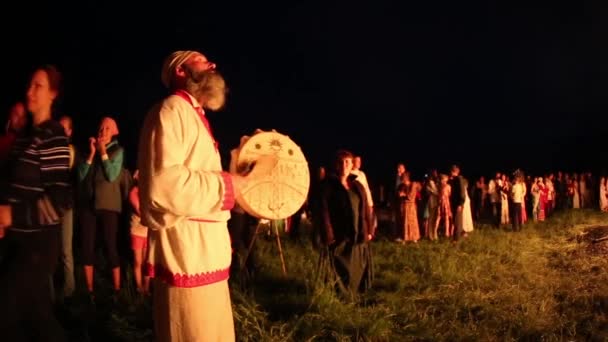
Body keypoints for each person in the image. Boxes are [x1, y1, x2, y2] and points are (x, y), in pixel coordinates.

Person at [137, 50, 274, 341]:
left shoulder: (192, 115)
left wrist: (249, 155)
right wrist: (228, 185)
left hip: (204, 256)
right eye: (201, 60)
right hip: (186, 255)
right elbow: (164, 186)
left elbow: (212, 179)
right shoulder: (171, 110)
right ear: (180, 71)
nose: (212, 64)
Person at [0, 64, 71, 341]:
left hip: (38, 245)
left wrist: (11, 215)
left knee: (6, 312)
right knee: (38, 319)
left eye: (38, 86)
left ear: (53, 94)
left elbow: (60, 199)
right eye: (29, 85)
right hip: (16, 242)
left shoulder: (53, 135)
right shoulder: (25, 138)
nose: (30, 91)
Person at [317, 150, 374, 300]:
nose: (344, 165)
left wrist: (369, 229)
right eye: (340, 162)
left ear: (351, 165)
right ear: (336, 165)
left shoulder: (357, 186)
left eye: (347, 162)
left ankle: (356, 293)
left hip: (358, 232)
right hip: (339, 234)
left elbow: (366, 209)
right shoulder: (327, 186)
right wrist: (328, 235)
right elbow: (323, 212)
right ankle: (340, 295)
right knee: (339, 265)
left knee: (356, 264)